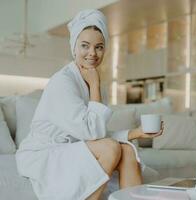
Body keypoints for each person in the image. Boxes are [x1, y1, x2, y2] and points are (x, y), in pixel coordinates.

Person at [15, 9, 163, 200]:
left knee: (126, 149)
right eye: (85, 45)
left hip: (74, 148)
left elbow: (96, 135)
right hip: (43, 153)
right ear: (74, 47)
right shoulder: (63, 81)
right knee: (110, 148)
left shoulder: (96, 84)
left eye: (99, 47)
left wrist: (136, 133)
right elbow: (91, 134)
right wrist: (94, 84)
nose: (92, 53)